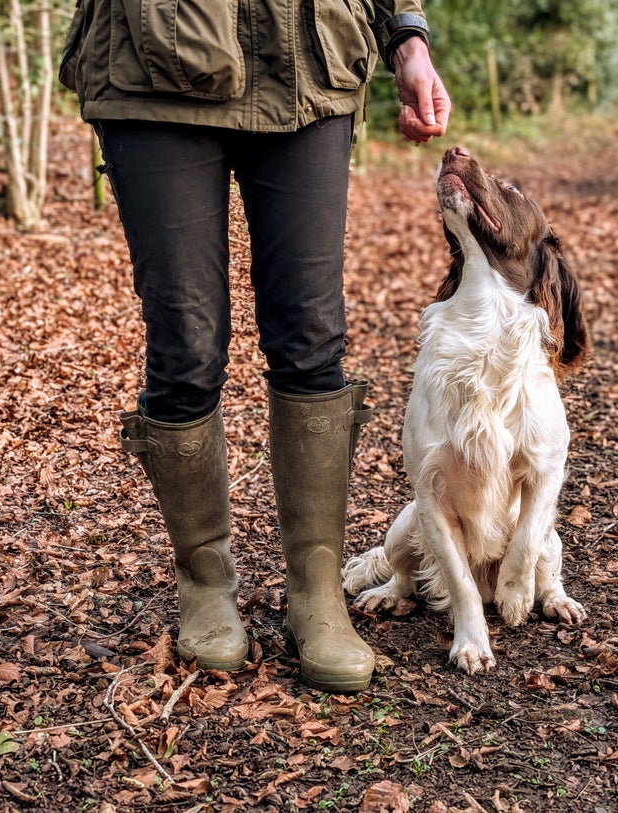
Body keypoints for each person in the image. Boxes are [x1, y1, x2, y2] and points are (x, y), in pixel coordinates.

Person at [62, 0, 451, 693]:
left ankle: (318, 594)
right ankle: (204, 585)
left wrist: (407, 37)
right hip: (150, 64)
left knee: (311, 339)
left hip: (309, 57)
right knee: (184, 349)